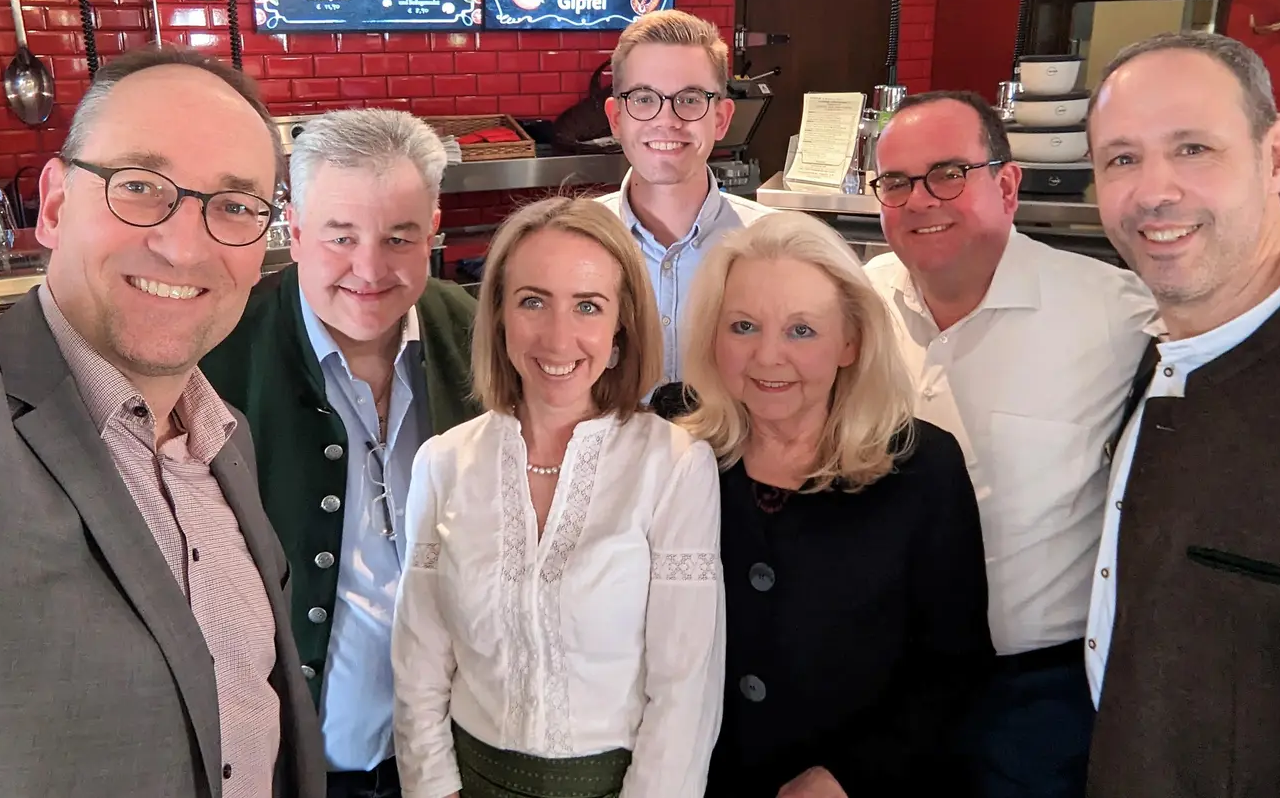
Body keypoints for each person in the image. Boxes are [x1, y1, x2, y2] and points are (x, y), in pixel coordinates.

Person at [0, 46, 325, 797]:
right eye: (138, 186)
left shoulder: (222, 434)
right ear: (56, 205)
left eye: (233, 206)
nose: (184, 244)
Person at [1080, 30, 1280, 797]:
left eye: (1192, 149)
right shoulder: (1157, 349)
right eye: (1121, 158)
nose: (1153, 191)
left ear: (1276, 156)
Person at [861, 90, 1158, 798]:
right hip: (879, 683)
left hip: (1032, 697)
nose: (920, 200)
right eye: (896, 182)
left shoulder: (1115, 315)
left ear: (1007, 183)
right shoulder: (861, 299)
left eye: (947, 174)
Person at [391, 197, 726, 798]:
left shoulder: (674, 466)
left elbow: (685, 689)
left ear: (621, 323)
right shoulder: (444, 461)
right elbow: (419, 665)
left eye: (588, 306)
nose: (558, 336)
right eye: (533, 301)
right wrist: (435, 790)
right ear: (498, 314)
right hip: (469, 783)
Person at [654, 211, 994, 797]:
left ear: (850, 342)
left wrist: (850, 777)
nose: (767, 357)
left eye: (801, 331)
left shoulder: (921, 467)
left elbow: (952, 669)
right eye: (742, 326)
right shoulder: (672, 440)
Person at [202, 108, 482, 798]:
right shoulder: (218, 359)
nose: (369, 269)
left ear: (434, 230)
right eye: (341, 237)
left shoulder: (477, 334)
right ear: (293, 231)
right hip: (305, 761)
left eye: (398, 237)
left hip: (461, 749)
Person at [595, 9, 776, 386]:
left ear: (722, 118)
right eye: (644, 98)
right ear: (616, 119)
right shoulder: (576, 242)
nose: (667, 119)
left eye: (690, 99)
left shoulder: (773, 243)